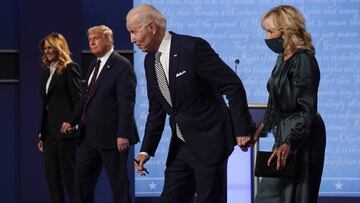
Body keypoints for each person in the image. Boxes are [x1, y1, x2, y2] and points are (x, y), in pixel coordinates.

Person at [126, 4, 254, 203]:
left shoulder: (192, 48)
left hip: (211, 140)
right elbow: (156, 110)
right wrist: (146, 150)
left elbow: (233, 85)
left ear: (151, 27)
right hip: (181, 146)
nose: (131, 39)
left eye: (134, 32)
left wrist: (242, 130)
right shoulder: (149, 61)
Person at [254, 5, 326, 203]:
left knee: (294, 195)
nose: (267, 37)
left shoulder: (303, 60)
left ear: (285, 32)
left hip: (303, 136)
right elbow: (276, 99)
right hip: (285, 133)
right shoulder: (282, 58)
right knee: (269, 195)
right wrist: (263, 126)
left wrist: (289, 142)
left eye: (270, 31)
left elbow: (307, 109)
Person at [61, 25, 139, 203]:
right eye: (89, 40)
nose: (92, 42)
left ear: (109, 40)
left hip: (113, 138)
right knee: (80, 184)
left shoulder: (122, 65)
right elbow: (86, 98)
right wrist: (72, 121)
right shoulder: (93, 65)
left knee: (119, 186)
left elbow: (126, 103)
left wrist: (122, 134)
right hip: (89, 136)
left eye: (96, 38)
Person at [37, 32, 81, 203]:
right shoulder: (47, 71)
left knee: (70, 178)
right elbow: (46, 107)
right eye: (45, 48)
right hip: (49, 135)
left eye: (50, 47)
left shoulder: (70, 68)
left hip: (66, 132)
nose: (47, 51)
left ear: (59, 48)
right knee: (52, 178)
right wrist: (42, 133)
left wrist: (72, 122)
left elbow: (78, 100)